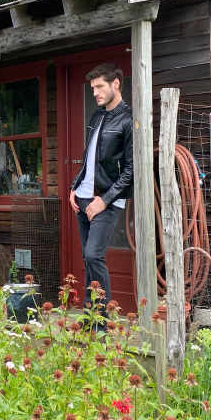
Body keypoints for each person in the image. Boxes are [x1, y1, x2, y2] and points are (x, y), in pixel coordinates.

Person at [69, 63, 133, 318]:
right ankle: (89, 318)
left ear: (116, 83)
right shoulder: (97, 117)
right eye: (93, 87)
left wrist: (104, 201)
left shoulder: (128, 120)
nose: (94, 92)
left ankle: (101, 322)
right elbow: (88, 158)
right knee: (88, 259)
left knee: (94, 255)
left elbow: (130, 170)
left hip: (107, 200)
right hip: (82, 198)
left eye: (99, 87)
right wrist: (74, 187)